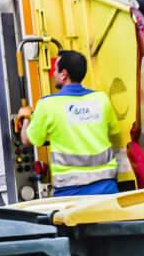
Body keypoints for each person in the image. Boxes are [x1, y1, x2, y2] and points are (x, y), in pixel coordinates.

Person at [19, 50, 121, 196]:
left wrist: (26, 118)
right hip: (107, 188)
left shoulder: (47, 105)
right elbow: (112, 130)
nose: (53, 74)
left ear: (64, 74)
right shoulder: (101, 99)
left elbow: (27, 140)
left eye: (55, 70)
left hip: (70, 193)